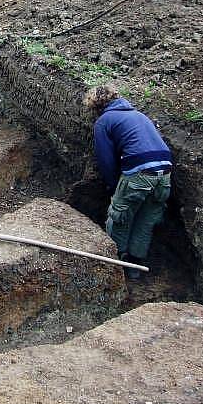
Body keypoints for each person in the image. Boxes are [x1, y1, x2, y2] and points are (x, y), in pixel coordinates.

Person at [82, 84, 172, 279]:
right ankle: (134, 268)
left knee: (119, 217)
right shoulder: (139, 115)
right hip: (165, 171)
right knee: (145, 220)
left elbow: (106, 161)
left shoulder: (104, 121)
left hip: (139, 172)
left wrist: (114, 187)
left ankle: (114, 266)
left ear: (96, 106)